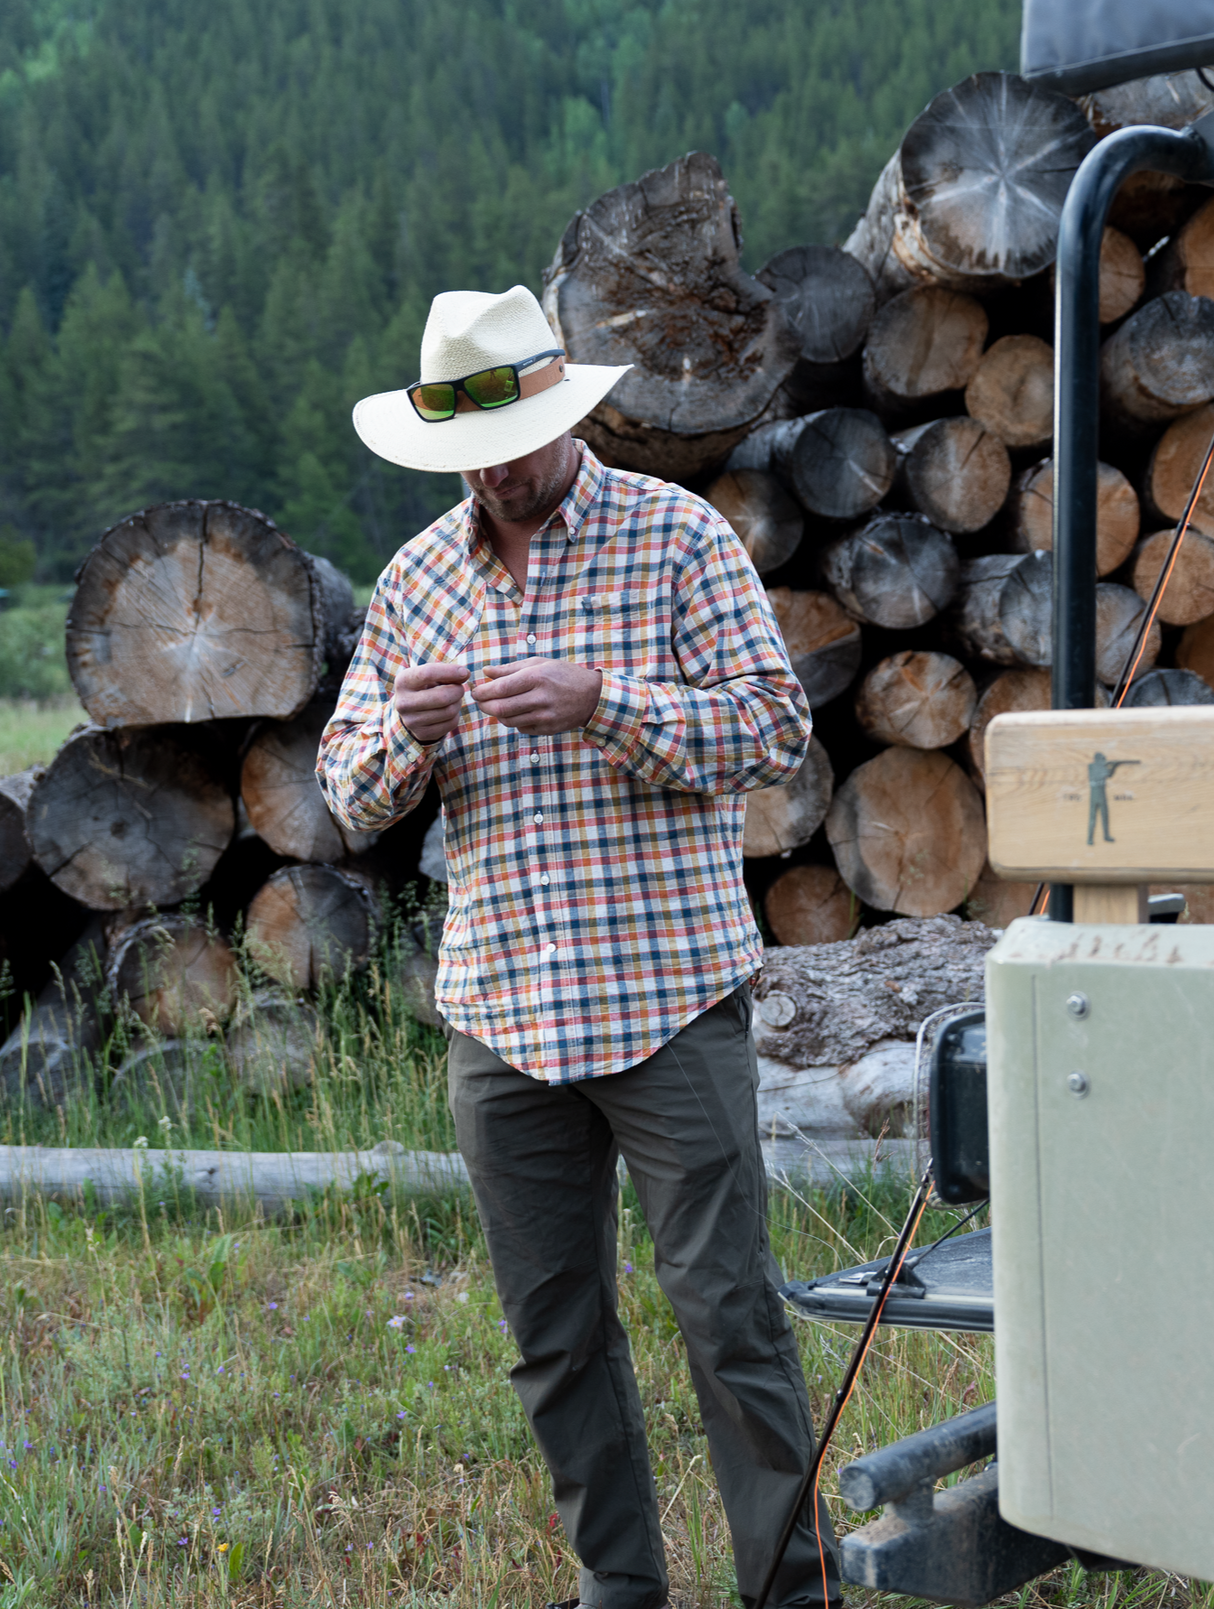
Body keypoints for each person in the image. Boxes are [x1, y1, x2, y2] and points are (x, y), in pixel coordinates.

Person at [316, 285, 839, 1609]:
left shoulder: (676, 538)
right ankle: (620, 1579)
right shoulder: (419, 578)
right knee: (552, 1328)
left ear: (566, 411)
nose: (493, 469)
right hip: (501, 1007)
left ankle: (790, 1587)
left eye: (514, 438)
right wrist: (407, 738)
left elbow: (775, 729)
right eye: (468, 452)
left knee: (726, 1310)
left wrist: (609, 703)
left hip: (665, 993)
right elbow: (345, 790)